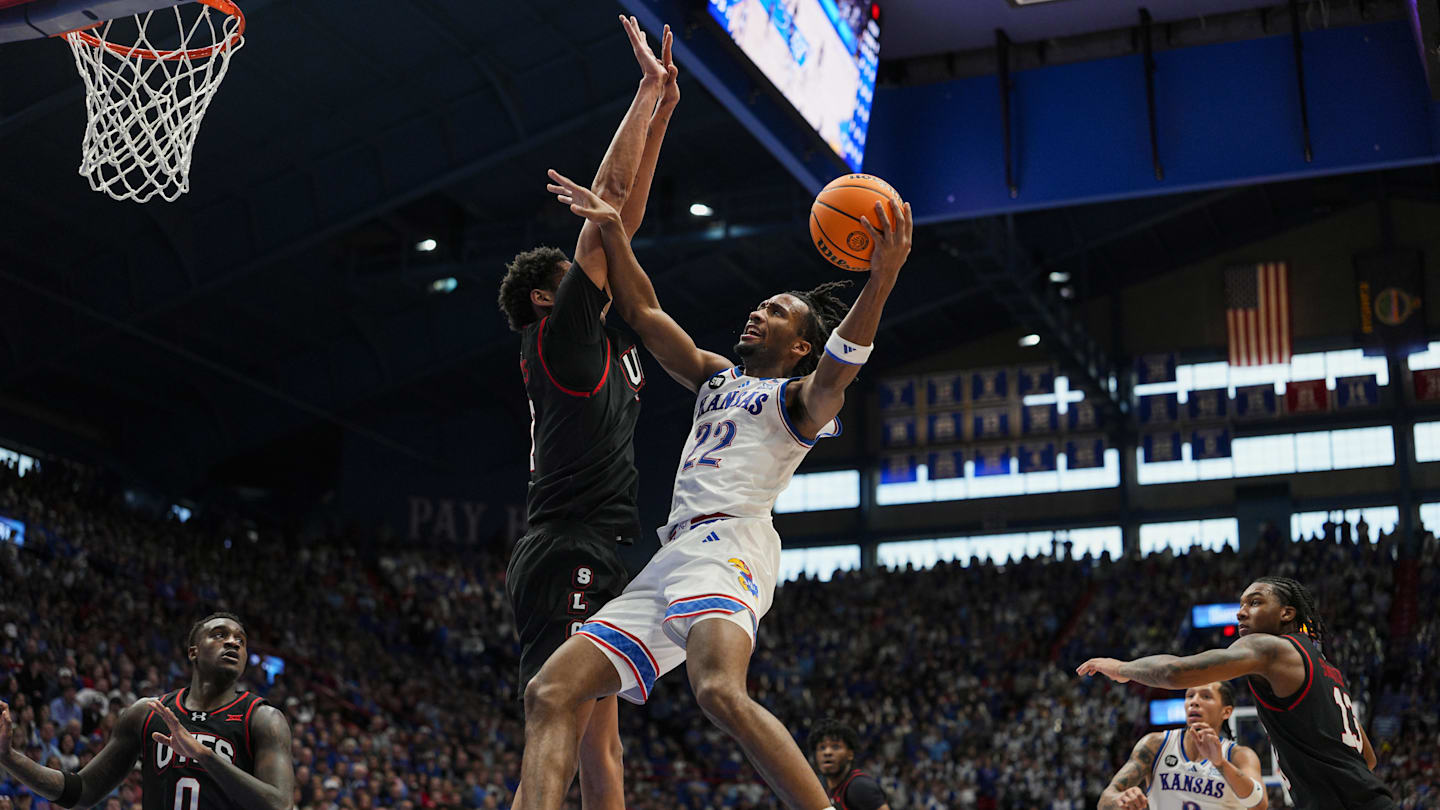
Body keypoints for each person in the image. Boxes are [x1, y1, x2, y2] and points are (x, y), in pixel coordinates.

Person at [514, 167, 913, 810]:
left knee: (718, 691)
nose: (758, 310)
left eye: (776, 311)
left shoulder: (797, 401)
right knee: (550, 690)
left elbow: (839, 371)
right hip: (671, 555)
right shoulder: (716, 379)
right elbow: (643, 312)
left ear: (800, 344)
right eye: (761, 304)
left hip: (733, 545)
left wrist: (883, 278)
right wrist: (613, 229)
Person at [495, 14, 680, 809]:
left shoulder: (600, 339)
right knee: (559, 711)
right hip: (565, 547)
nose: (592, 272)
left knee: (603, 737)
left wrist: (666, 109)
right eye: (574, 275)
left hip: (597, 547)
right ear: (549, 296)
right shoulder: (561, 335)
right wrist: (644, 91)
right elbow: (604, 208)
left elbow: (618, 223)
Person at [1078, 577, 1396, 810]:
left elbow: (1175, 671)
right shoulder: (1327, 670)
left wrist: (1122, 669)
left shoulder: (1269, 647)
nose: (1241, 612)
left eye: (1255, 602)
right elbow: (1367, 758)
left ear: (1286, 613)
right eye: (1241, 605)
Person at [0, 613, 293, 810]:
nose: (233, 642)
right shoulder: (147, 714)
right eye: (220, 635)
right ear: (193, 651)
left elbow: (280, 804)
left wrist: (203, 755)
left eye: (240, 640)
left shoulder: (263, 718)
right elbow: (82, 791)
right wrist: (9, 758)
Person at [1098, 681, 1267, 810]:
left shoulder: (1239, 755)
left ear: (1226, 711)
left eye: (1206, 696)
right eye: (1190, 695)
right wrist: (1120, 800)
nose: (1194, 702)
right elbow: (1105, 799)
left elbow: (1259, 804)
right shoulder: (1156, 744)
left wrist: (1221, 764)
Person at [808, 719, 890, 810]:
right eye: (822, 747)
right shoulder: (821, 784)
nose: (827, 752)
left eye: (835, 747)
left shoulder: (859, 786)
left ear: (850, 754)